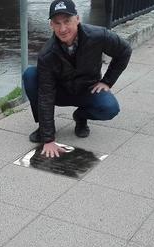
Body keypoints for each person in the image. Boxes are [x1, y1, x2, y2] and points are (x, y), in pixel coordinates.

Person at [23, 0, 132, 158]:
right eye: (57, 23)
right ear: (51, 25)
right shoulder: (47, 54)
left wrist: (107, 81)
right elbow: (46, 95)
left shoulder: (98, 35)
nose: (63, 29)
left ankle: (81, 117)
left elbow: (124, 50)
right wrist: (49, 139)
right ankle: (43, 128)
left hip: (87, 89)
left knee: (110, 108)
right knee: (30, 75)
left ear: (78, 19)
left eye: (67, 21)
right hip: (60, 92)